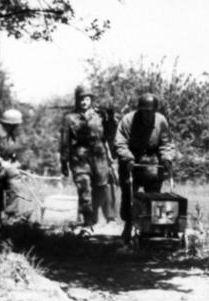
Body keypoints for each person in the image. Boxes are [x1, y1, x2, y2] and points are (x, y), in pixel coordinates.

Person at [114, 93, 175, 242]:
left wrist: (167, 158)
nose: (148, 115)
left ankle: (151, 230)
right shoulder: (128, 120)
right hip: (130, 160)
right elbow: (120, 143)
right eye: (145, 112)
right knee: (129, 195)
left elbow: (166, 143)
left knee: (153, 196)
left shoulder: (161, 121)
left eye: (151, 112)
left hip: (152, 161)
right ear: (139, 110)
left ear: (155, 111)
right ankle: (128, 224)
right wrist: (127, 158)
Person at [59, 84, 117, 227]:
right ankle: (88, 220)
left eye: (87, 99)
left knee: (102, 188)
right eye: (81, 99)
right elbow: (64, 142)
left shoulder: (101, 115)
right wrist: (64, 162)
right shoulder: (69, 118)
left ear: (91, 100)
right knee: (83, 187)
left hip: (99, 156)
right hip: (79, 156)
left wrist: (110, 119)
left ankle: (101, 217)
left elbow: (110, 135)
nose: (84, 102)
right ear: (77, 100)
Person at [0, 108, 30, 222]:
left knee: (14, 183)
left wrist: (15, 162)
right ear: (10, 124)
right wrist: (2, 162)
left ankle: (11, 215)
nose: (18, 127)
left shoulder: (10, 135)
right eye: (16, 125)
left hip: (4, 168)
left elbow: (11, 152)